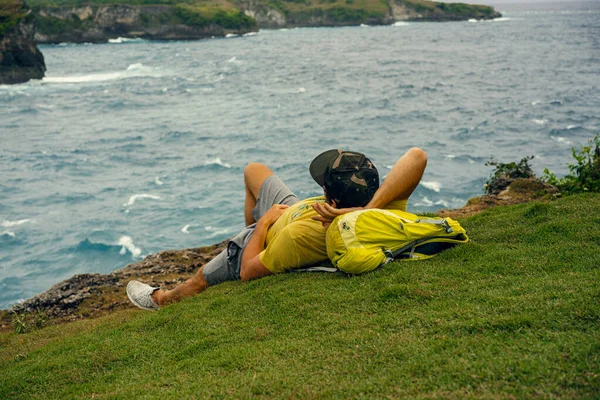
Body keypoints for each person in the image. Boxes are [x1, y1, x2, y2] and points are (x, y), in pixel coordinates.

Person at [126, 148, 427, 310]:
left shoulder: (302, 238)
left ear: (331, 199)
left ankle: (160, 299)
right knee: (253, 170)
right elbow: (417, 156)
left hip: (268, 233)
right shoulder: (381, 208)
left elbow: (248, 272)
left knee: (195, 283)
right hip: (293, 208)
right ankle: (251, 228)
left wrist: (264, 225)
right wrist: (363, 210)